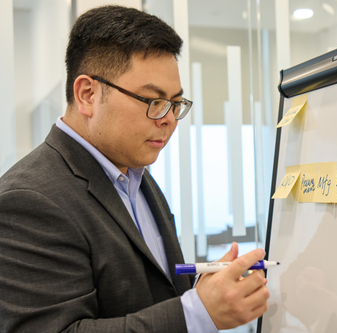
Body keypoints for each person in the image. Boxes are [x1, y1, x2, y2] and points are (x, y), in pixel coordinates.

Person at [0, 5, 269, 333]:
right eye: (153, 101)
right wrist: (197, 313)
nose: (169, 118)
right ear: (88, 95)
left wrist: (202, 294)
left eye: (175, 103)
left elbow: (148, 296)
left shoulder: (134, 174)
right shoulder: (28, 200)